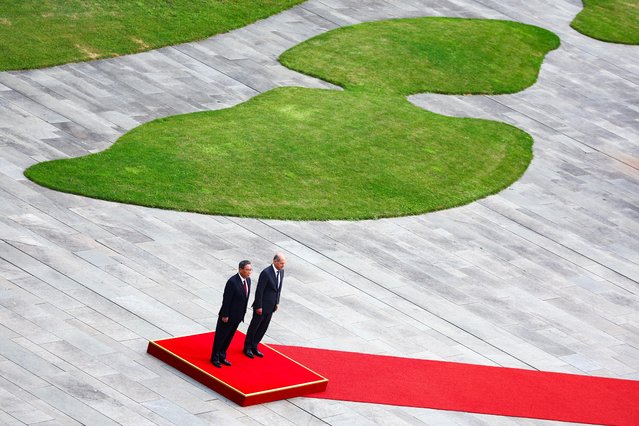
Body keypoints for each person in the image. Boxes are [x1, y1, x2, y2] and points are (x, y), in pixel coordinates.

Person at [243, 252, 286, 358]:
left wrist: (277, 302)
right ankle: (247, 347)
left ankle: (254, 346)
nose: (283, 266)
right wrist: (258, 306)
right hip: (262, 306)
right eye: (281, 263)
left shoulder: (281, 272)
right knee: (255, 326)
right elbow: (259, 290)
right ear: (275, 261)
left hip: (271, 306)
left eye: (284, 264)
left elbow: (278, 289)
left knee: (263, 327)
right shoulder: (266, 273)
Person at [211, 260, 252, 368]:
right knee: (221, 337)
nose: (249, 272)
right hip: (228, 316)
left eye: (250, 270)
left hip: (237, 316)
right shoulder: (232, 282)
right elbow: (227, 299)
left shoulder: (248, 281)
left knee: (229, 337)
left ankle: (222, 355)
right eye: (247, 270)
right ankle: (214, 357)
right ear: (240, 269)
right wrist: (225, 315)